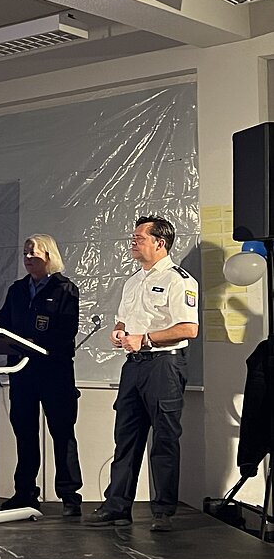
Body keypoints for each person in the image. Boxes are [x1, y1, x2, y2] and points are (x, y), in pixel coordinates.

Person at [84, 216, 198, 532]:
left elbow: (189, 328)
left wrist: (145, 338)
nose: (133, 243)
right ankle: (117, 506)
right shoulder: (133, 280)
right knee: (126, 437)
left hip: (164, 365)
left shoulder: (179, 280)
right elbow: (124, 320)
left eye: (139, 238)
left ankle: (163, 511)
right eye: (133, 238)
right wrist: (119, 331)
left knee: (164, 437)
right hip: (134, 366)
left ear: (160, 243)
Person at [0, 234, 83, 516]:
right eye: (25, 253)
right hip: (22, 372)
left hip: (54, 372)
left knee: (62, 433)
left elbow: (66, 331)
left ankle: (70, 497)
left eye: (33, 252)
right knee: (25, 433)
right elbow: (2, 325)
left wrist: (36, 342)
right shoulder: (17, 290)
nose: (28, 257)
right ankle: (25, 493)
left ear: (48, 256)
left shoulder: (65, 289)